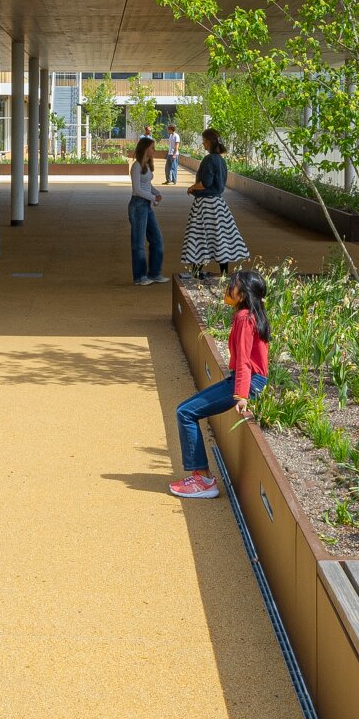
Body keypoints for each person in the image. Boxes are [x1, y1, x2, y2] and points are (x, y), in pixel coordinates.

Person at [171, 270, 270, 499]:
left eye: (233, 286)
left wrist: (241, 395)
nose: (228, 289)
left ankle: (204, 481)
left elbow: (245, 361)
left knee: (185, 412)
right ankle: (201, 477)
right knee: (185, 410)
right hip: (247, 380)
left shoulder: (245, 318)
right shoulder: (252, 314)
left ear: (243, 294)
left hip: (247, 382)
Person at [181, 127, 248, 279]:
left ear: (209, 142)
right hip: (218, 204)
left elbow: (205, 183)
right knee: (221, 237)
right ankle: (224, 272)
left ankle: (196, 271)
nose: (203, 143)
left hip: (205, 204)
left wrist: (192, 187)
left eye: (204, 141)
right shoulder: (221, 160)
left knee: (200, 237)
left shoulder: (209, 159)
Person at [127, 135, 165, 285]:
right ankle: (140, 277)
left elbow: (147, 185)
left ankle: (154, 273)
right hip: (138, 206)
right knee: (138, 242)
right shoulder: (136, 166)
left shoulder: (147, 166)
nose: (154, 150)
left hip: (146, 205)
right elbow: (137, 189)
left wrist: (156, 193)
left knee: (157, 239)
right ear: (145, 148)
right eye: (152, 147)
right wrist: (152, 197)